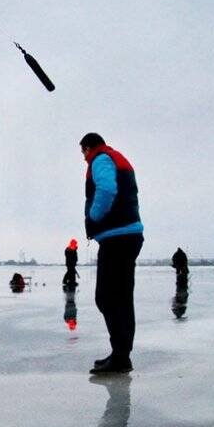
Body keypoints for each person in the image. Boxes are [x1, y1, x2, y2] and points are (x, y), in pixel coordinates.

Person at [81, 133, 144, 375]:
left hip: (118, 237)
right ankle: (121, 354)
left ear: (88, 148)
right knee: (121, 298)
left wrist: (94, 218)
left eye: (83, 153)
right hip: (127, 235)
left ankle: (120, 356)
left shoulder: (101, 159)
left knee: (107, 297)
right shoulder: (116, 158)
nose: (84, 159)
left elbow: (107, 189)